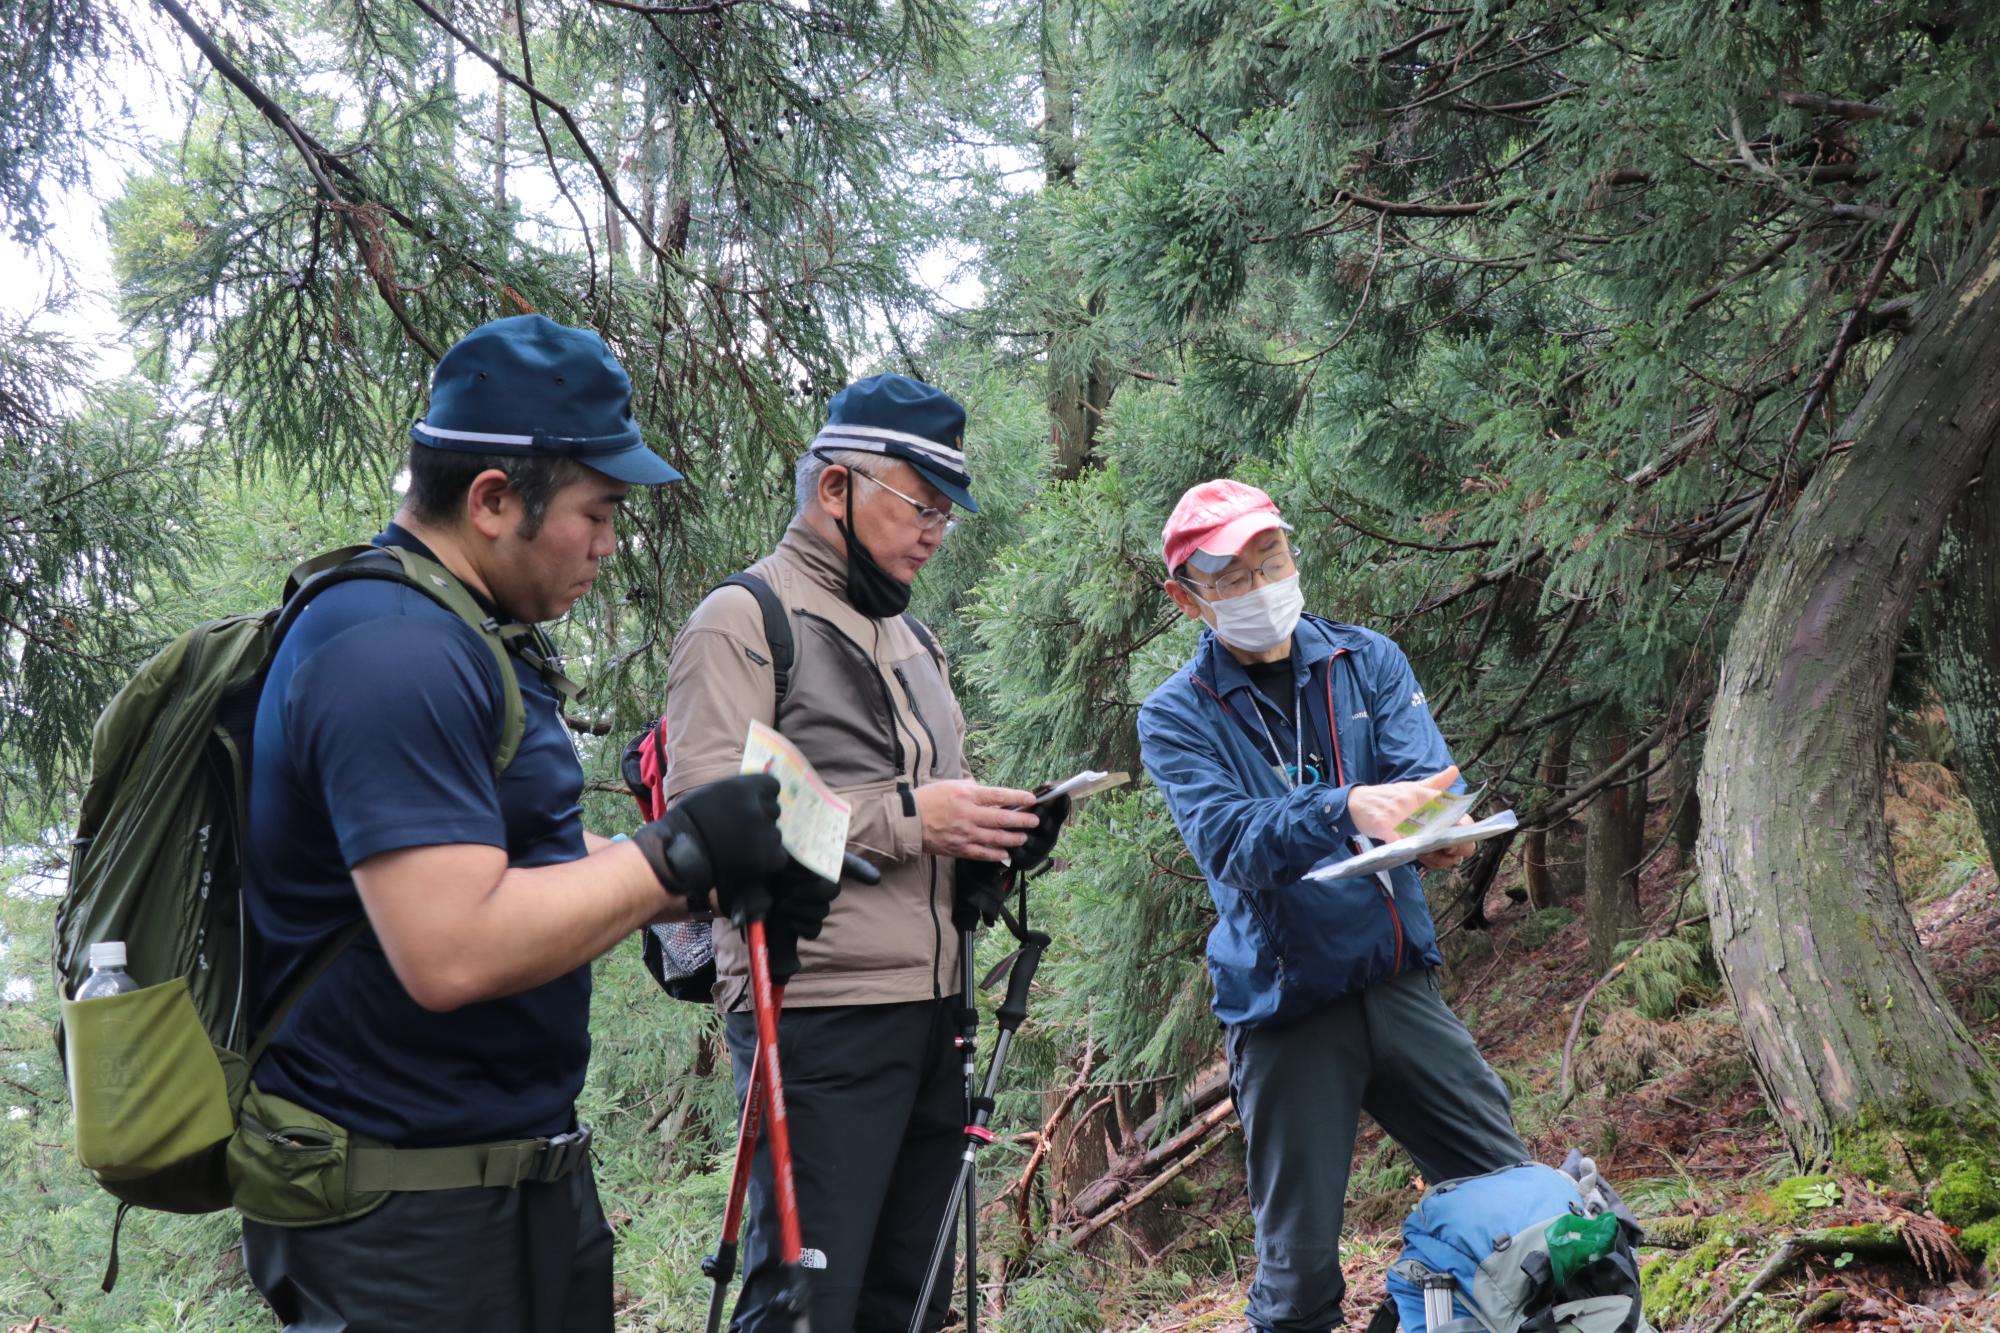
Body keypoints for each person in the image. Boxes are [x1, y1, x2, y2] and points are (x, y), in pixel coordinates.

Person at [239, 314, 835, 1332]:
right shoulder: (388, 649)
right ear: (491, 499)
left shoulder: (471, 637)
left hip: (508, 1188)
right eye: (597, 510)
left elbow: (530, 864)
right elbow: (451, 947)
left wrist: (710, 873)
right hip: (404, 1227)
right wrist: (671, 853)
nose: (609, 543)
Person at [663, 373, 1065, 1332]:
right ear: (835, 487)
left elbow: (926, 808)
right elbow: (704, 831)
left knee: (913, 1304)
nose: (934, 529)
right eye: (918, 502)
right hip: (815, 1016)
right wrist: (909, 820)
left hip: (937, 1013)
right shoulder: (743, 619)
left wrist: (993, 842)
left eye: (946, 512)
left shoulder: (911, 636)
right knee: (810, 1306)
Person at [1136, 479, 1530, 1333]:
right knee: (1300, 1274)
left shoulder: (1367, 659)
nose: (1259, 586)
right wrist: (1345, 806)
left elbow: (1427, 785)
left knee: (1513, 1199)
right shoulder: (1175, 714)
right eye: (1231, 576)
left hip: (1395, 980)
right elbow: (1227, 841)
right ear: (1186, 598)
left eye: (1269, 560)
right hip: (1285, 1006)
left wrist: (1442, 828)